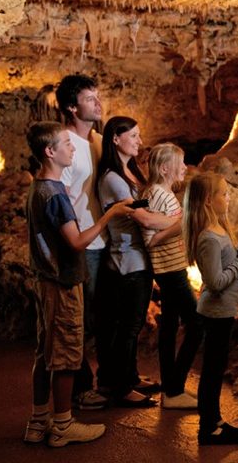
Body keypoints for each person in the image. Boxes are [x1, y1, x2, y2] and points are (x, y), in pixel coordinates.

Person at [23, 121, 132, 447]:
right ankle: (62, 424)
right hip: (63, 282)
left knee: (45, 353)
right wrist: (109, 216)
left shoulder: (37, 187)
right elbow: (76, 241)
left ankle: (38, 420)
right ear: (50, 151)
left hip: (45, 280)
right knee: (67, 355)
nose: (73, 149)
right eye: (66, 145)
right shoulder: (55, 194)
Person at [95, 116, 173, 407]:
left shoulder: (131, 173)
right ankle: (120, 386)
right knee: (127, 327)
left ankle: (130, 375)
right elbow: (143, 216)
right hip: (127, 261)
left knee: (133, 324)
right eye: (135, 136)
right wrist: (179, 220)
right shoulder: (113, 179)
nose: (140, 141)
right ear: (116, 138)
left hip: (139, 257)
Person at [183, 172, 238, 445]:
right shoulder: (208, 238)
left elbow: (223, 261)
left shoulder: (218, 231)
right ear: (208, 200)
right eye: (224, 194)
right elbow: (215, 282)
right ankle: (208, 429)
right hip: (216, 312)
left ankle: (215, 422)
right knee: (213, 372)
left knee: (216, 369)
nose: (228, 198)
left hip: (224, 311)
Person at [55, 74, 109, 411]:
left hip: (103, 241)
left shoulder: (100, 142)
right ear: (73, 107)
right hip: (79, 244)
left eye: (98, 96)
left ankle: (110, 378)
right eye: (90, 98)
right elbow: (56, 196)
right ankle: (78, 387)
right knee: (79, 319)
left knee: (103, 315)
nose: (98, 103)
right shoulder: (63, 146)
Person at [141, 143, 202, 410]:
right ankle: (174, 386)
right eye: (181, 162)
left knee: (169, 327)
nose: (185, 167)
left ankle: (172, 390)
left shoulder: (163, 193)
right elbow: (150, 240)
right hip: (169, 270)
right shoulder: (155, 194)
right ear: (165, 168)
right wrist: (181, 226)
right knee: (197, 325)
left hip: (174, 267)